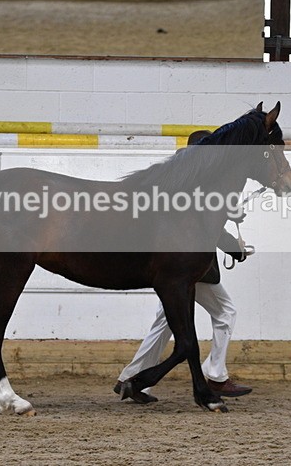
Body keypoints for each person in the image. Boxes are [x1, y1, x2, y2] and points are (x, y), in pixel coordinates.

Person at [114, 130, 254, 403]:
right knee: (226, 312)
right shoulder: (199, 179)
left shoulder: (180, 177)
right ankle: (216, 375)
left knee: (165, 322)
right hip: (188, 266)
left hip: (172, 265)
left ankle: (130, 379)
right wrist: (233, 243)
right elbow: (203, 226)